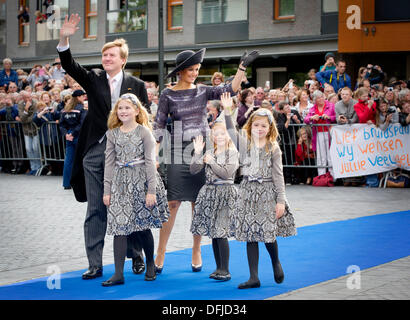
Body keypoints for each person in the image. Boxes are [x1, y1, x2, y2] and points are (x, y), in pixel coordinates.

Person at [57, 13, 148, 280]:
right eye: (104, 55)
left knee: (127, 205)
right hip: (95, 151)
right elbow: (70, 65)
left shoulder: (137, 85)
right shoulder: (94, 78)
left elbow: (145, 119)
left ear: (123, 60)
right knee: (96, 208)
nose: (106, 59)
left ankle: (137, 255)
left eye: (112, 56)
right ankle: (95, 264)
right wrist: (65, 37)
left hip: (127, 153)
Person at [153, 48, 259, 274]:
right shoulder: (167, 94)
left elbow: (229, 89)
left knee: (198, 203)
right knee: (173, 203)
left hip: (202, 149)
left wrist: (242, 66)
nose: (194, 73)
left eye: (197, 69)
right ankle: (160, 251)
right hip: (178, 151)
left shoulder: (202, 90)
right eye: (191, 69)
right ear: (180, 71)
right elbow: (159, 126)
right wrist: (154, 154)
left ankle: (196, 250)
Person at [221, 93, 296, 289]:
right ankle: (253, 277)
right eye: (256, 125)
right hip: (247, 191)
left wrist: (281, 201)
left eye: (264, 126)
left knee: (267, 233)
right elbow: (230, 129)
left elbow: (279, 176)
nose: (260, 129)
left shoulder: (274, 148)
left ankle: (275, 261)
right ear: (250, 126)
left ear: (270, 128)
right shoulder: (244, 144)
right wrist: (228, 110)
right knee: (250, 234)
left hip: (267, 192)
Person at [102, 93, 169, 286]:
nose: (123, 111)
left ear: (137, 111)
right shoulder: (112, 134)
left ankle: (149, 263)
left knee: (142, 225)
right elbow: (109, 163)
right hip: (120, 182)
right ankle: (118, 273)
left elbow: (150, 162)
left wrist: (152, 191)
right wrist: (107, 190)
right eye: (120, 108)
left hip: (141, 181)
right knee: (119, 227)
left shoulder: (144, 132)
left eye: (127, 108)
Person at [190, 121, 239, 282]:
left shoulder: (232, 152)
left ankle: (225, 269)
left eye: (222, 133)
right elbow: (194, 170)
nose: (219, 136)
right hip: (210, 193)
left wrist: (211, 161)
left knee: (220, 231)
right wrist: (197, 153)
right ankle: (218, 268)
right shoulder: (210, 151)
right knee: (214, 232)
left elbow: (226, 173)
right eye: (216, 134)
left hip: (225, 193)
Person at [59, 90, 87, 189]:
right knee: (81, 159)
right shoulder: (81, 109)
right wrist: (73, 134)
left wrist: (67, 134)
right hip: (78, 135)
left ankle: (66, 183)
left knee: (68, 160)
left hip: (69, 136)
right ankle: (80, 183)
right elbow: (82, 123)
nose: (84, 98)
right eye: (83, 96)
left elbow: (61, 124)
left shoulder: (65, 109)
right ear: (78, 97)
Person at [304, 90, 336, 177]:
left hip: (330, 132)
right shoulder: (313, 108)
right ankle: (321, 176)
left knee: (330, 155)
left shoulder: (331, 105)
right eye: (318, 98)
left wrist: (329, 117)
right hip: (318, 133)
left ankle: (332, 176)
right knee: (321, 156)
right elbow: (306, 119)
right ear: (315, 100)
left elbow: (336, 117)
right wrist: (312, 117)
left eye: (322, 96)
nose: (321, 99)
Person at [276, 101, 302, 184]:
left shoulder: (294, 112)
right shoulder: (280, 116)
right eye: (286, 108)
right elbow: (282, 128)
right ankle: (288, 178)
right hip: (286, 140)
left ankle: (297, 178)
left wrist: (296, 119)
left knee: (296, 158)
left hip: (295, 138)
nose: (289, 109)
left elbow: (301, 123)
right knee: (288, 159)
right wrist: (288, 119)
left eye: (288, 107)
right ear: (282, 110)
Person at [17, 91, 41, 175]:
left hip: (35, 129)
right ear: (23, 98)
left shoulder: (35, 103)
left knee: (35, 148)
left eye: (30, 97)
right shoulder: (20, 104)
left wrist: (23, 119)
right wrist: (26, 110)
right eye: (27, 97)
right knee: (28, 149)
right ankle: (33, 167)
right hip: (26, 130)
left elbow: (33, 118)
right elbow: (22, 118)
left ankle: (38, 167)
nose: (29, 99)